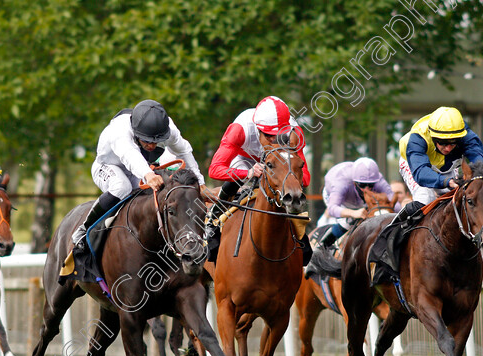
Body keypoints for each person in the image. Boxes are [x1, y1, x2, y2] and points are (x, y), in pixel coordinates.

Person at [70, 99, 205, 250]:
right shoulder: (119, 130)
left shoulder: (168, 129)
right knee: (122, 187)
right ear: (135, 132)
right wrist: (148, 174)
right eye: (147, 140)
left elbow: (184, 151)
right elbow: (130, 156)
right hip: (108, 167)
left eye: (156, 141)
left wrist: (200, 183)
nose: (152, 145)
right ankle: (84, 229)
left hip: (139, 169)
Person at [205, 96, 311, 258]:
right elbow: (215, 170)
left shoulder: (295, 133)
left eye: (280, 135)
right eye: (269, 136)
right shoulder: (240, 129)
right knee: (236, 182)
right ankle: (213, 223)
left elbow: (305, 179)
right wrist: (247, 173)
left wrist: (289, 175)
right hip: (243, 161)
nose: (275, 141)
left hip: (277, 166)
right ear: (257, 129)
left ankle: (301, 235)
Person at [394, 106, 483, 223]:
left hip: (447, 165)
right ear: (433, 136)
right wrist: (447, 181)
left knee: (459, 198)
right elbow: (421, 173)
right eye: (442, 142)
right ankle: (394, 231)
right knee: (426, 198)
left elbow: (480, 162)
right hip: (416, 165)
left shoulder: (466, 135)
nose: (448, 148)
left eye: (453, 143)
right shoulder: (418, 138)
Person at [316, 157, 397, 251]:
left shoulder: (379, 181)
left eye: (370, 185)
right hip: (339, 200)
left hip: (359, 201)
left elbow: (394, 203)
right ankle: (321, 248)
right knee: (348, 222)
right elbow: (332, 209)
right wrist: (353, 213)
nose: (367, 189)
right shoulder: (341, 183)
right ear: (354, 183)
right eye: (362, 185)